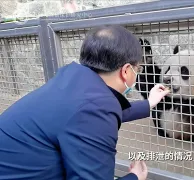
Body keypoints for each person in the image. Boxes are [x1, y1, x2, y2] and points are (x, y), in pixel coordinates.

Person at [0, 25, 170, 180]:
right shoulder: (94, 107)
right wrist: (135, 177)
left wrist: (149, 103)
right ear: (126, 70)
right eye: (137, 69)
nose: (137, 74)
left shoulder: (73, 79)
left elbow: (95, 111)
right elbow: (94, 113)